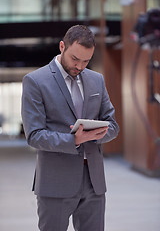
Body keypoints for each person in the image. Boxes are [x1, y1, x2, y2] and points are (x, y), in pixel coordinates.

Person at [21, 25, 119, 231]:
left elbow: (113, 125)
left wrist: (98, 133)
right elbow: (35, 135)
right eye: (75, 59)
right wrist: (75, 139)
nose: (80, 66)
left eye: (86, 61)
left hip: (94, 182)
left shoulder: (96, 80)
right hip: (55, 182)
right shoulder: (36, 81)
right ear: (62, 46)